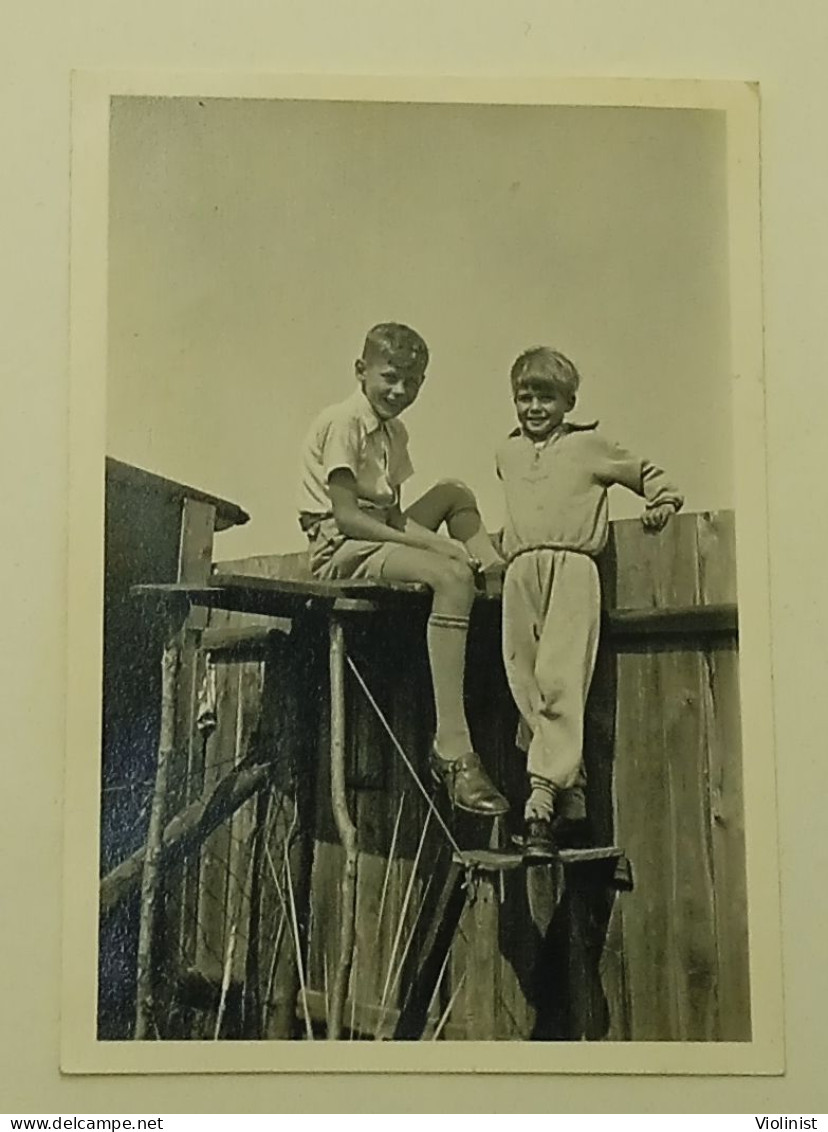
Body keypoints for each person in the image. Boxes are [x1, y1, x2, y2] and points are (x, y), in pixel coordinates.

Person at [298, 322, 508, 816]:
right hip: (340, 547)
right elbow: (349, 517)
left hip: (373, 531)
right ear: (361, 371)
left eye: (412, 382)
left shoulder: (395, 431)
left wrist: (451, 546)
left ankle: (496, 572)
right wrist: (441, 551)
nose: (399, 390)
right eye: (390, 377)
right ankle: (452, 748)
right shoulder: (343, 422)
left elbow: (393, 515)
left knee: (455, 491)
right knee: (452, 577)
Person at [495, 346, 684, 858]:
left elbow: (645, 472)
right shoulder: (507, 453)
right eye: (524, 397)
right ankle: (570, 785)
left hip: (572, 568)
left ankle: (539, 804)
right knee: (525, 681)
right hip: (520, 573)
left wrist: (662, 500)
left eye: (546, 397)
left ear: (569, 401)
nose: (534, 407)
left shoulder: (589, 446)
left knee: (560, 677)